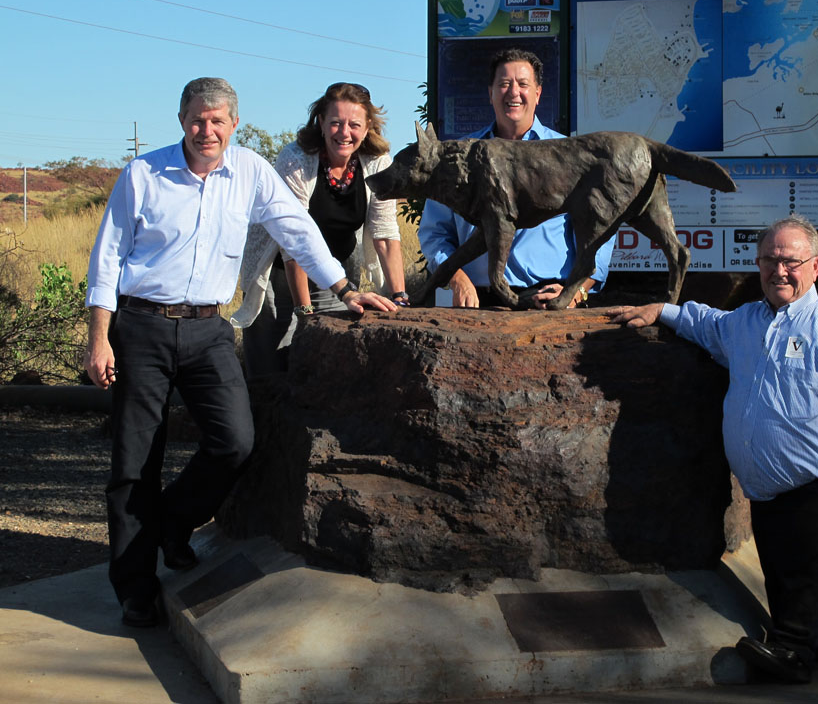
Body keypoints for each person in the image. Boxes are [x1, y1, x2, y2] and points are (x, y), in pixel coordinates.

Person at [83, 77, 397, 628]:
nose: (208, 130)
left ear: (233, 124)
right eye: (198, 120)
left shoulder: (250, 171)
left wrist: (345, 290)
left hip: (208, 330)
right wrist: (99, 337)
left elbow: (296, 229)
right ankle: (135, 587)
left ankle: (171, 524)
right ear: (182, 119)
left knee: (235, 441)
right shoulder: (142, 175)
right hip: (141, 327)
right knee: (135, 464)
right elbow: (107, 258)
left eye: (219, 121)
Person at [606, 215, 818, 683]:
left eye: (791, 262)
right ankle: (809, 645)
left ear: (816, 266)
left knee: (809, 576)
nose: (779, 271)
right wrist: (663, 310)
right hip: (765, 487)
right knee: (783, 574)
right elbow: (706, 323)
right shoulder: (744, 323)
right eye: (769, 260)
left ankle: (794, 654)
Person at [418, 48, 616, 309]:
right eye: (504, 84)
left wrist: (576, 290)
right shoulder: (456, 159)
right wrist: (455, 276)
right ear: (490, 93)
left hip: (549, 300)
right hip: (476, 302)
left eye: (523, 84)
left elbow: (600, 230)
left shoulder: (570, 155)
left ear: (537, 93)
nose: (513, 92)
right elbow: (434, 233)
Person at [233, 82, 407, 375]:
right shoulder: (296, 159)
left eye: (354, 124)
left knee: (323, 365)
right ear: (321, 124)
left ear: (367, 129)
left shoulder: (378, 162)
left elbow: (386, 234)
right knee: (270, 367)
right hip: (278, 270)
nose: (344, 132)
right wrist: (304, 312)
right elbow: (293, 241)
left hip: (334, 272)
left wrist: (400, 297)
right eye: (335, 123)